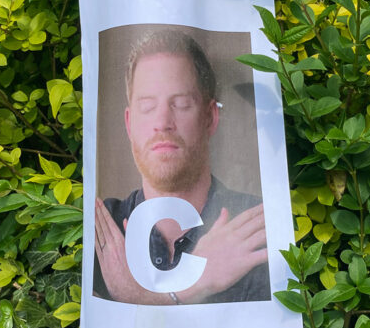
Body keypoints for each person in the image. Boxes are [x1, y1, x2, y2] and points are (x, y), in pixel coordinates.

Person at [94, 28, 270, 304]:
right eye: (148, 105)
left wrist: (135, 297)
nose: (163, 122)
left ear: (210, 118)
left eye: (181, 103)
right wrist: (197, 283)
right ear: (129, 124)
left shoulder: (261, 227)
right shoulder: (100, 230)